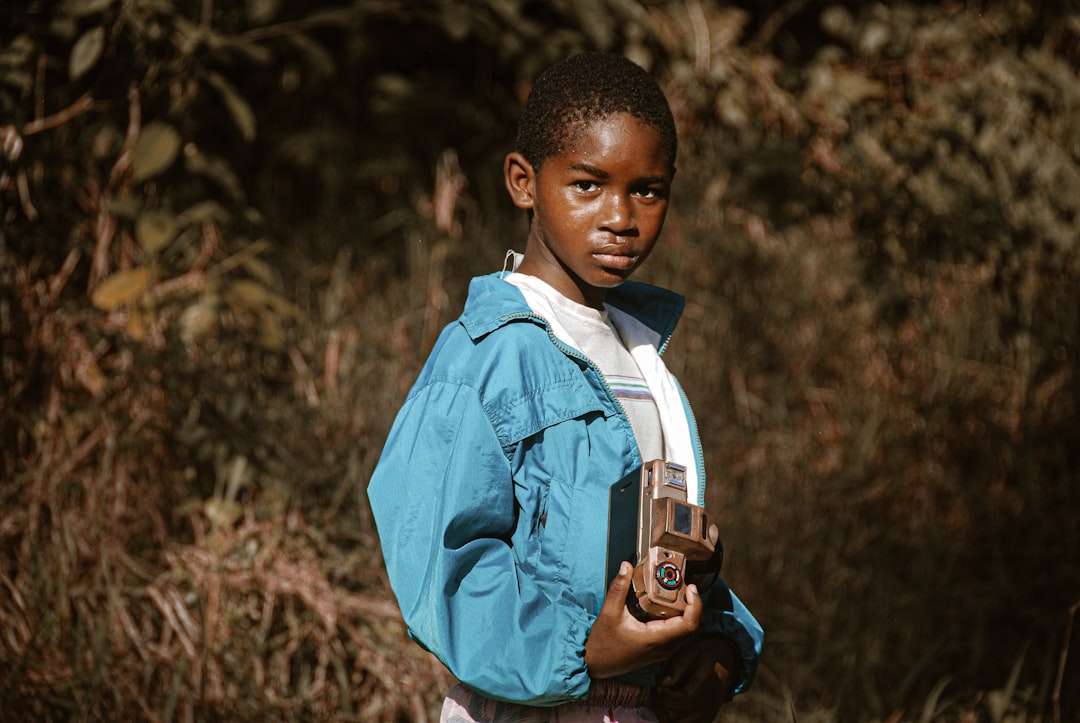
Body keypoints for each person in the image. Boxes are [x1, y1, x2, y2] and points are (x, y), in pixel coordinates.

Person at [367, 51, 763, 723]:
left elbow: (661, 550)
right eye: (588, 185)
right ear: (524, 182)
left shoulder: (645, 361)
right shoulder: (488, 356)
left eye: (648, 189)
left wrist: (716, 648)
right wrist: (582, 650)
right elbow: (443, 561)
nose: (621, 216)